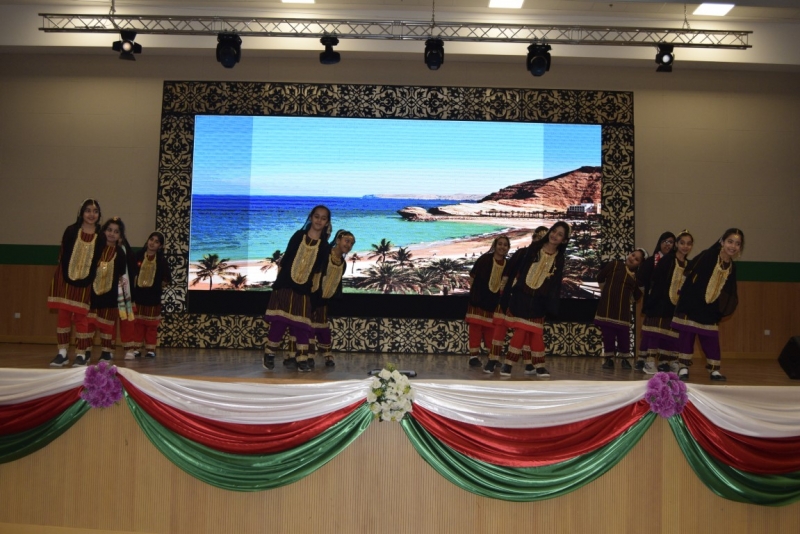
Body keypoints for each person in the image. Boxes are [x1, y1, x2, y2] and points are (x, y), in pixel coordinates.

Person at [488, 221, 570, 378]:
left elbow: (555, 283)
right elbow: (519, 271)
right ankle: (510, 365)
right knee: (521, 329)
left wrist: (551, 303)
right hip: (522, 297)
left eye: (560, 234)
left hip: (540, 301)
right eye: (554, 231)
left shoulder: (559, 258)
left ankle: (535, 366)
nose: (555, 235)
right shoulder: (533, 249)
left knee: (536, 332)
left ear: (564, 240)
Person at [263, 205, 332, 372]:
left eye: (323, 218)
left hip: (304, 289)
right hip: (285, 284)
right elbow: (286, 258)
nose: (319, 220)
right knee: (280, 321)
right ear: (311, 217)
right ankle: (269, 354)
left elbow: (318, 271)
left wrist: (315, 293)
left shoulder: (324, 246)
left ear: (327, 223)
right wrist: (278, 282)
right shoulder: (298, 235)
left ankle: (302, 359)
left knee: (302, 325)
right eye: (317, 216)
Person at [671, 228, 744, 382]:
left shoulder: (732, 266)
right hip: (693, 304)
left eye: (737, 244)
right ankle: (683, 367)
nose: (733, 246)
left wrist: (721, 309)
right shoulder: (709, 255)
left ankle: (714, 370)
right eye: (730, 241)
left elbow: (729, 291)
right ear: (722, 242)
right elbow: (690, 272)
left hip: (711, 307)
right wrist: (688, 299)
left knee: (711, 339)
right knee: (687, 336)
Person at [48, 199, 105, 367]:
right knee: (63, 315)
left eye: (95, 211)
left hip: (86, 281)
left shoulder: (101, 236)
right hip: (65, 278)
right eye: (88, 210)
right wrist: (66, 276)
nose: (91, 214)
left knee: (82, 317)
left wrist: (88, 279)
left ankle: (81, 354)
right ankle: (62, 353)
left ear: (99, 215)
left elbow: (97, 260)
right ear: (81, 213)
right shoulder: (71, 230)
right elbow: (63, 254)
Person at [484, 226, 548, 373]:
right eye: (537, 238)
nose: (539, 241)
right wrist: (503, 294)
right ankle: (492, 361)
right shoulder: (522, 253)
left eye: (543, 239)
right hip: (509, 297)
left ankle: (528, 364)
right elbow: (507, 273)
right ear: (533, 238)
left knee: (524, 330)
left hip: (527, 301)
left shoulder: (545, 258)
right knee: (500, 329)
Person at [78, 217, 136, 366]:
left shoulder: (120, 253)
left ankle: (106, 352)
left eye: (116, 232)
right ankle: (86, 351)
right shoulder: (95, 249)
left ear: (120, 236)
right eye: (109, 230)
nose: (112, 234)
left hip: (110, 295)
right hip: (92, 293)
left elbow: (121, 273)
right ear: (103, 231)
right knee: (90, 323)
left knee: (107, 325)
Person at [639, 230, 694, 374]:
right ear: (677, 244)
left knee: (671, 334)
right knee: (655, 332)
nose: (685, 246)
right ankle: (650, 362)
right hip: (660, 302)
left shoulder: (689, 265)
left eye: (689, 244)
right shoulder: (667, 260)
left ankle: (669, 361)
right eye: (682, 243)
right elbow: (656, 281)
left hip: (676, 305)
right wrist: (655, 301)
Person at [309, 229, 355, 368]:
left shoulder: (343, 263)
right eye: (347, 241)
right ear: (338, 240)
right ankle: (307, 355)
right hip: (311, 296)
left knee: (322, 327)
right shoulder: (325, 254)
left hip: (324, 299)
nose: (349, 245)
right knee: (307, 326)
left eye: (351, 243)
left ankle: (327, 354)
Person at [596, 248, 646, 370]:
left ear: (639, 264)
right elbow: (600, 277)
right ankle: (609, 359)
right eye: (633, 255)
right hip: (607, 309)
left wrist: (628, 299)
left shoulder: (635, 278)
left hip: (622, 313)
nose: (632, 259)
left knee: (623, 336)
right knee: (608, 335)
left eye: (637, 259)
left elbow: (638, 296)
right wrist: (605, 291)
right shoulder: (614, 265)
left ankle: (625, 360)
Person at [465, 235, 510, 368]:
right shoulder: (484, 259)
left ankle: (492, 358)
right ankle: (473, 357)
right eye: (500, 244)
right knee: (476, 328)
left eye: (505, 245)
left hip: (494, 302)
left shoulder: (508, 264)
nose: (502, 247)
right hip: (478, 300)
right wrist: (474, 294)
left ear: (508, 248)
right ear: (495, 245)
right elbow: (472, 277)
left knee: (492, 330)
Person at [634, 231, 676, 370]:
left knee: (666, 332)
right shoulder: (651, 261)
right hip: (653, 302)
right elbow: (640, 280)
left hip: (669, 303)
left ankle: (664, 361)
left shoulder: (675, 261)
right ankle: (643, 359)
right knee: (650, 331)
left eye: (671, 242)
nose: (667, 245)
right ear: (660, 243)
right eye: (665, 241)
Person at [128, 231, 172, 359]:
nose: (152, 243)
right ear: (147, 240)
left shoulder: (161, 260)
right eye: (151, 239)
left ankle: (150, 349)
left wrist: (158, 286)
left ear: (160, 246)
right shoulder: (138, 256)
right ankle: (136, 348)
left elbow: (167, 278)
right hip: (138, 296)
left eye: (156, 242)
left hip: (153, 298)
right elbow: (131, 273)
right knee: (138, 324)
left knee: (151, 326)